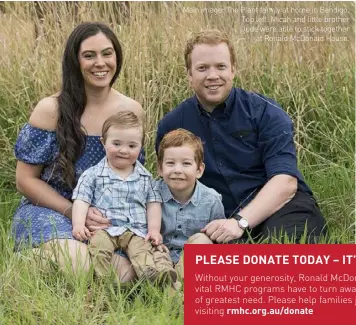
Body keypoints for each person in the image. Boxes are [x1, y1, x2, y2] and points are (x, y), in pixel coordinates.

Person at [156, 29, 327, 244]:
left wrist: (240, 222)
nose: (212, 76)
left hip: (279, 207)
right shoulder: (172, 125)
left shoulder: (266, 112)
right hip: (217, 219)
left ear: (233, 70)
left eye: (221, 66)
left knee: (281, 253)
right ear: (189, 74)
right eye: (202, 68)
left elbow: (285, 182)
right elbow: (168, 184)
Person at [12, 22, 144, 281]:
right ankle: (27, 262)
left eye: (107, 53)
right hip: (52, 209)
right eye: (89, 55)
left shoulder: (131, 110)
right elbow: (24, 180)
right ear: (75, 61)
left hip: (103, 216)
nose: (100, 62)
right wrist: (75, 212)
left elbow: (132, 175)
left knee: (124, 277)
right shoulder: (51, 109)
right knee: (80, 265)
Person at [72, 111, 177, 283]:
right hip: (104, 228)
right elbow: (81, 200)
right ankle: (102, 280)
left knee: (142, 251)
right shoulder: (93, 175)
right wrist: (78, 223)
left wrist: (154, 230)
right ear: (103, 143)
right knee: (99, 248)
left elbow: (153, 205)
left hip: (136, 230)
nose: (123, 150)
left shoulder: (145, 178)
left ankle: (150, 276)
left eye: (131, 146)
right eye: (116, 143)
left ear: (140, 147)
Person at [155, 128, 225, 282]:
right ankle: (167, 286)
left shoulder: (211, 200)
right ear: (160, 168)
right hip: (159, 257)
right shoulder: (151, 195)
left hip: (192, 263)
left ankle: (179, 286)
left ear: (199, 170)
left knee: (202, 240)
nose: (177, 170)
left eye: (186, 163)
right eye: (170, 163)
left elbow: (219, 243)